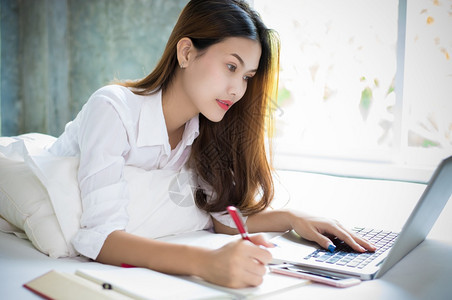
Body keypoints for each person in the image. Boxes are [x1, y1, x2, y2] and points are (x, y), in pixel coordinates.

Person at [47, 0, 375, 289]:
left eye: (246, 76)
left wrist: (292, 218)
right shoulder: (114, 109)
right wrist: (206, 263)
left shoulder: (202, 127)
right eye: (231, 67)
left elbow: (218, 215)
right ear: (186, 52)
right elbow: (100, 238)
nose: (237, 89)